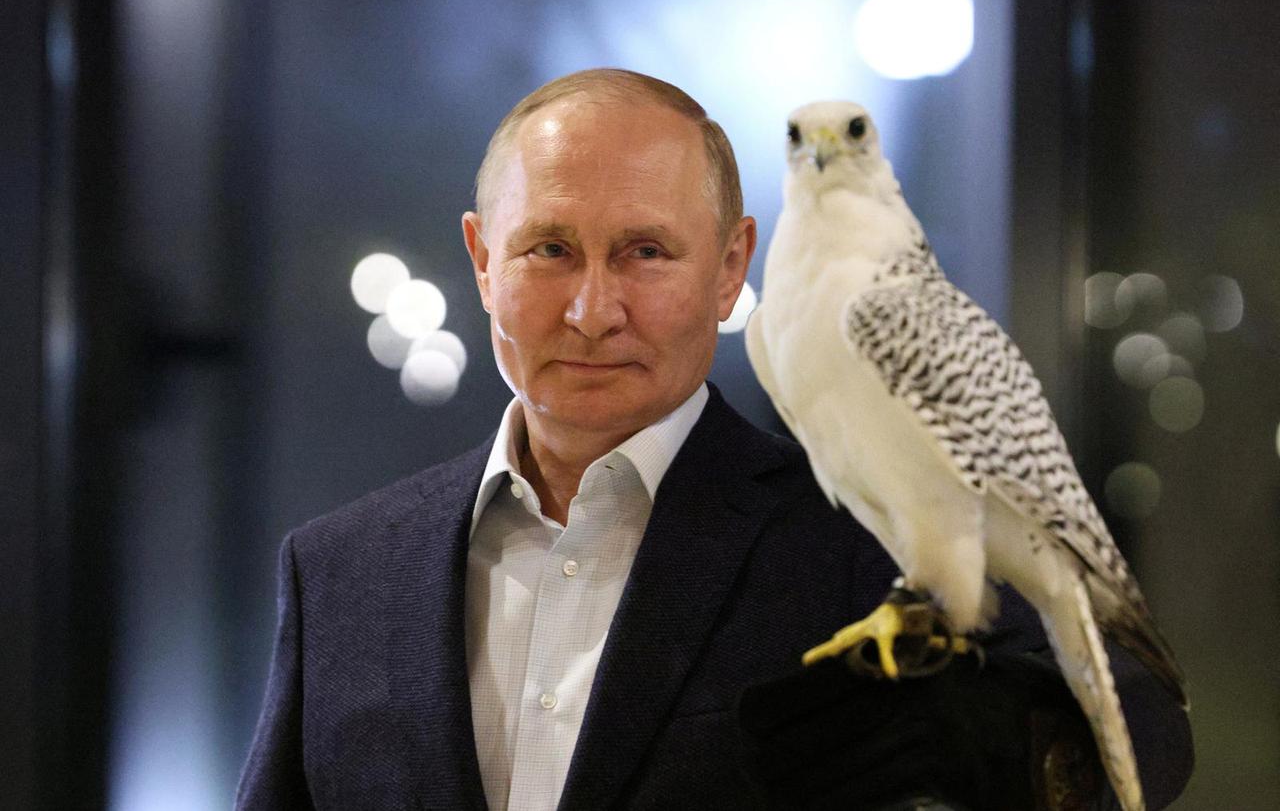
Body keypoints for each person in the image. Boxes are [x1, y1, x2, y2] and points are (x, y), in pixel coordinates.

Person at [236, 69, 1192, 810]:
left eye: (646, 252)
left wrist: (1011, 752)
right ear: (484, 262)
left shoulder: (863, 544)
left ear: (732, 268)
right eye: (550, 249)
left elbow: (1144, 734)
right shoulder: (339, 574)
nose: (593, 309)